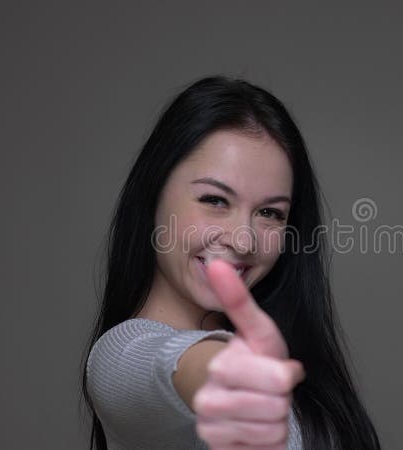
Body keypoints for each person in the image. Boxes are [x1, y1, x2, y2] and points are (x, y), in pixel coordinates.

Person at [80, 75, 382, 450]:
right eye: (215, 200)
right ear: (153, 195)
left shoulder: (288, 354)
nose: (243, 239)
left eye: (270, 212)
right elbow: (171, 367)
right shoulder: (121, 357)